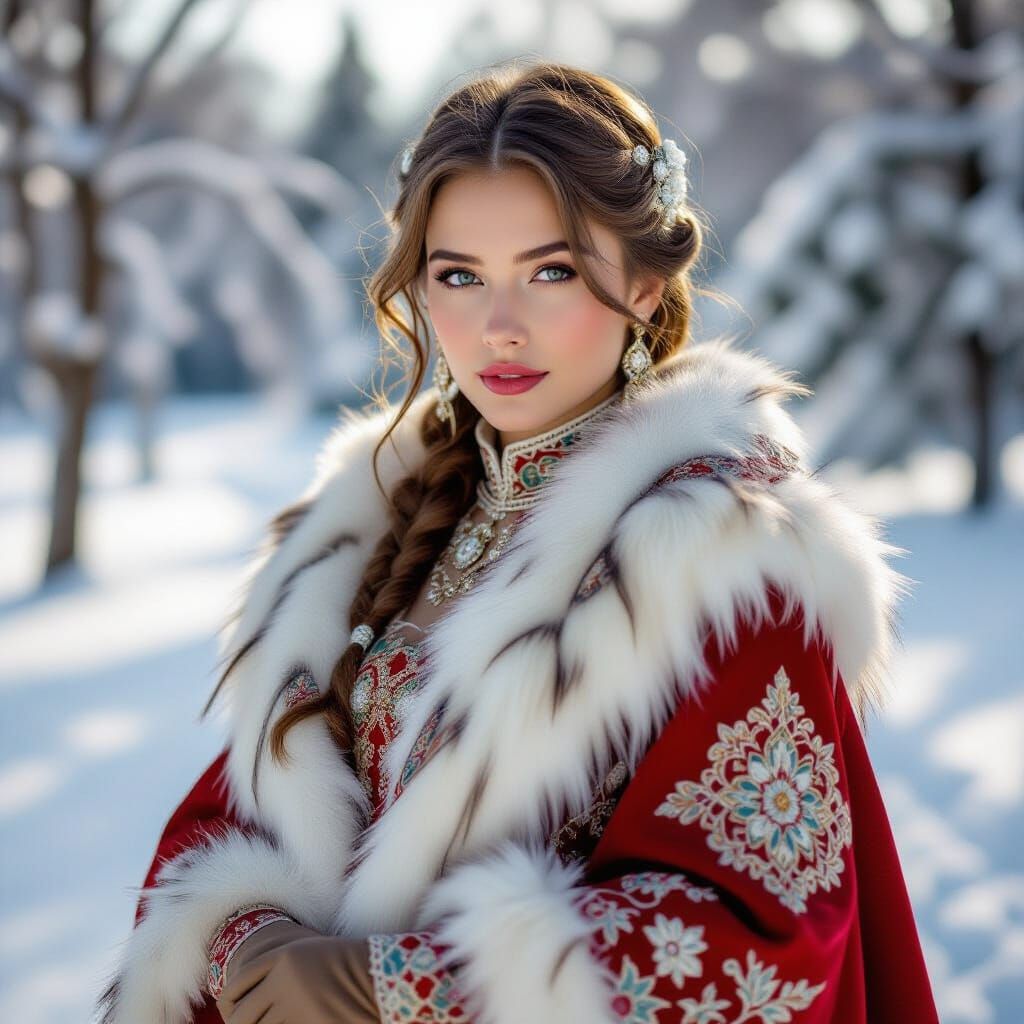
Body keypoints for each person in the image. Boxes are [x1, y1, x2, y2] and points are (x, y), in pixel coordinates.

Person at [96, 60, 939, 1024]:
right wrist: (252, 939)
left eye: (552, 272)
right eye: (459, 276)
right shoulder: (374, 528)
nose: (498, 326)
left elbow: (758, 938)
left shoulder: (720, 555)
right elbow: (238, 817)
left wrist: (402, 986)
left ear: (649, 286)